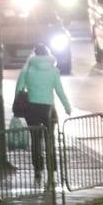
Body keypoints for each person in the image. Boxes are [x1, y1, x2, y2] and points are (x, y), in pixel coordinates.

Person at [13, 44, 71, 185]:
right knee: (50, 141)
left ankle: (38, 171)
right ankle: (51, 174)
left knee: (35, 141)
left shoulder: (27, 70)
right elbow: (59, 91)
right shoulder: (53, 71)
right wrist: (67, 106)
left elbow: (19, 90)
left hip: (32, 109)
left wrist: (17, 106)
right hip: (49, 110)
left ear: (34, 55)